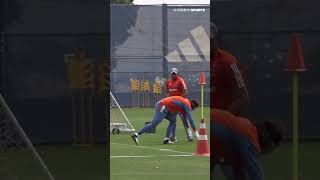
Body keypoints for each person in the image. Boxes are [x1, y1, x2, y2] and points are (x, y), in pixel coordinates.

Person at [211, 109, 283, 180]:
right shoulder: (250, 138)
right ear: (267, 138)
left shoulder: (243, 134)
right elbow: (256, 175)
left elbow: (238, 172)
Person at [210, 22, 250, 117]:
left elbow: (243, 97)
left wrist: (223, 118)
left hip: (221, 124)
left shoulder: (229, 62)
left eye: (209, 40)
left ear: (215, 41)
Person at [131, 96, 199, 145]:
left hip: (167, 108)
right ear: (193, 105)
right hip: (162, 105)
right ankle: (136, 135)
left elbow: (185, 120)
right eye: (194, 109)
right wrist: (196, 133)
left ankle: (166, 139)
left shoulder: (184, 105)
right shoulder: (187, 104)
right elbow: (191, 120)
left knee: (173, 121)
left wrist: (189, 129)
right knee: (153, 124)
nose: (192, 110)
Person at [165, 68, 194, 142]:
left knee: (185, 120)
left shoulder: (181, 81)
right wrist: (168, 99)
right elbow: (167, 91)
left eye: (175, 74)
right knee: (173, 121)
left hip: (180, 104)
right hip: (172, 105)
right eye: (172, 74)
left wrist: (179, 99)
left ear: (177, 74)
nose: (173, 75)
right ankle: (173, 137)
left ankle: (189, 135)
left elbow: (185, 91)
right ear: (171, 74)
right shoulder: (168, 82)